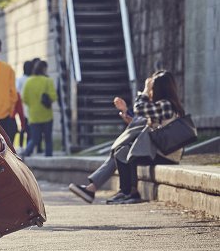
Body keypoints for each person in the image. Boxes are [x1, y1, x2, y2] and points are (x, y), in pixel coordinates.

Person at [112, 70, 185, 204]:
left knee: (132, 154)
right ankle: (126, 191)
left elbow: (139, 108)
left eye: (153, 88)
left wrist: (145, 90)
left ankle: (133, 193)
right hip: (160, 150)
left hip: (166, 154)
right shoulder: (164, 105)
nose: (151, 91)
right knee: (122, 152)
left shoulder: (166, 105)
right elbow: (144, 118)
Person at [68, 96, 134, 203]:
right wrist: (125, 111)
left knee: (122, 151)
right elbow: (138, 122)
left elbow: (142, 123)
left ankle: (124, 192)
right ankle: (92, 188)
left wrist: (126, 111)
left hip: (155, 147)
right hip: (144, 144)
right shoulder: (151, 103)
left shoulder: (160, 105)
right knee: (119, 151)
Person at [21, 60, 57, 157]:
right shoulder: (48, 81)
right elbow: (53, 97)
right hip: (46, 115)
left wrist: (32, 105)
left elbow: (24, 98)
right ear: (44, 69)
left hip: (33, 115)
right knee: (48, 138)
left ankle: (26, 152)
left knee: (34, 138)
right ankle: (48, 156)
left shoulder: (28, 81)